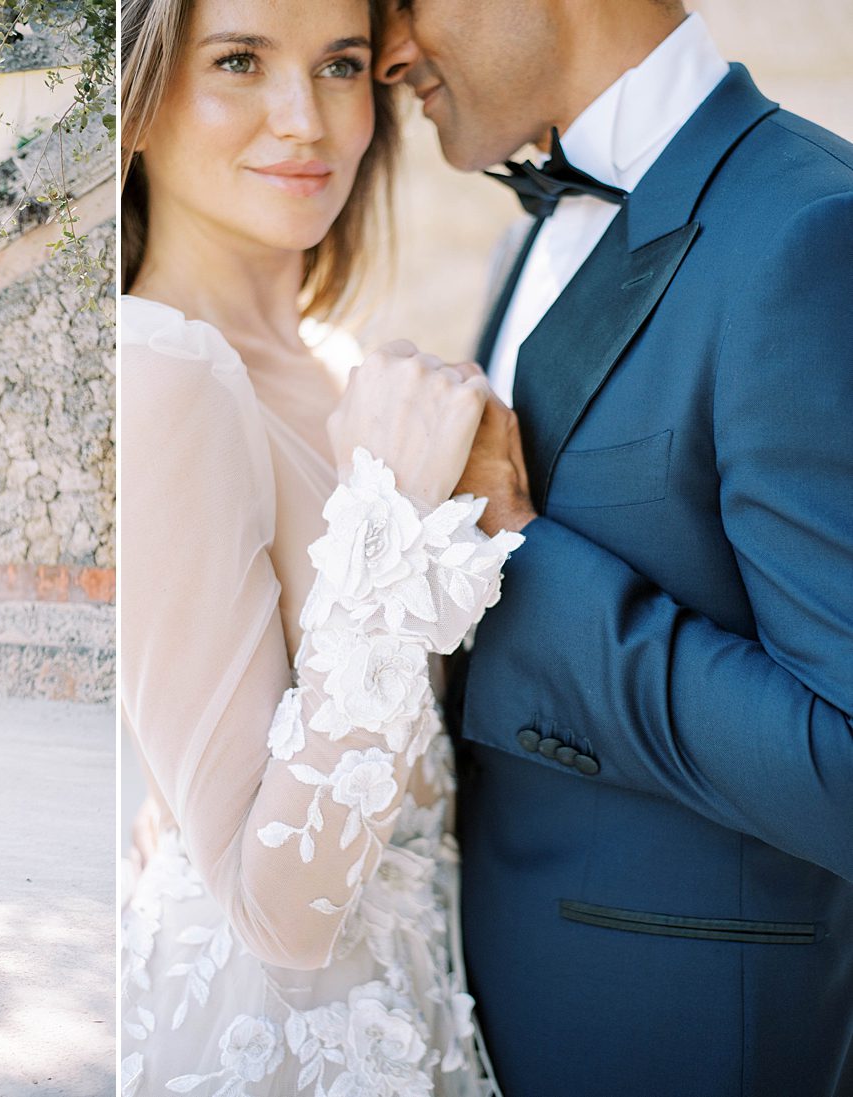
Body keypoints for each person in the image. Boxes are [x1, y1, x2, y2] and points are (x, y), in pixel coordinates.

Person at [376, 3, 853, 1094]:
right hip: (494, 1004)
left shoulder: (813, 233)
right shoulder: (538, 223)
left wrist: (513, 547)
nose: (390, 50)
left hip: (684, 1037)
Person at [116, 0, 524, 1092]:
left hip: (420, 1004)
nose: (306, 119)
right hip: (279, 1038)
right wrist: (390, 511)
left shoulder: (346, 369)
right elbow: (277, 910)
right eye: (240, 60)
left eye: (340, 65)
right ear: (138, 98)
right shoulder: (156, 372)